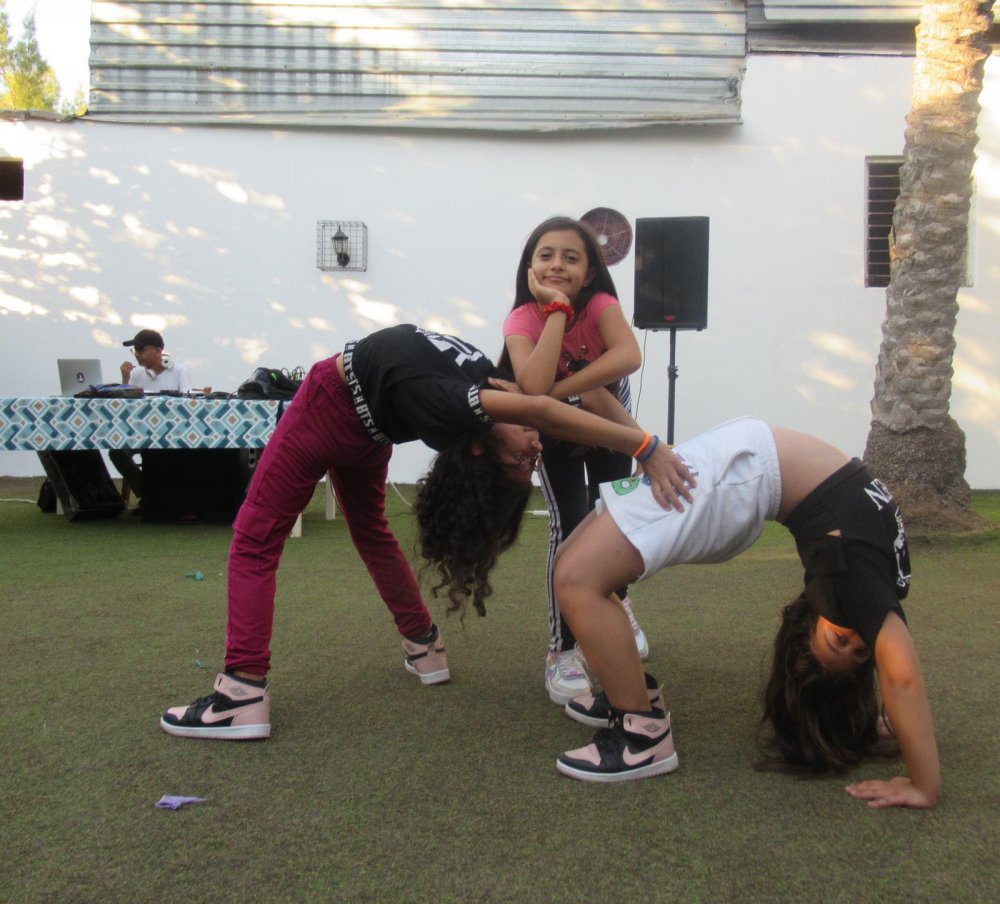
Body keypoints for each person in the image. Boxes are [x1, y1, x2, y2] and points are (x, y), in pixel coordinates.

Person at [160, 323, 696, 740]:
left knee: (255, 538)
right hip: (371, 425)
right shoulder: (497, 390)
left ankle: (241, 693)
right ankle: (424, 646)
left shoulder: (465, 406)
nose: (536, 450)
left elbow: (541, 410)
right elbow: (575, 400)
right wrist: (642, 441)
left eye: (521, 460)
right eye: (530, 460)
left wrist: (644, 447)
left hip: (331, 404)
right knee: (371, 531)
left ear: (482, 446)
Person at [551, 417, 940, 810]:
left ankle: (642, 739)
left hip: (743, 471)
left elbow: (899, 676)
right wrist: (918, 777)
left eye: (841, 641)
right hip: (745, 467)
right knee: (571, 565)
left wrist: (909, 763)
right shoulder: (856, 586)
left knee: (575, 578)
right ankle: (633, 691)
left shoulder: (867, 578)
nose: (857, 634)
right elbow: (901, 675)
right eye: (860, 649)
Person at [501, 215, 648, 706]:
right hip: (557, 432)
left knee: (613, 518)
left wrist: (561, 390)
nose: (557, 264)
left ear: (590, 273)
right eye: (545, 255)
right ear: (529, 266)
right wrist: (557, 311)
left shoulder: (602, 305)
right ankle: (562, 651)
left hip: (607, 424)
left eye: (571, 257)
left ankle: (617, 604)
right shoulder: (522, 319)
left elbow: (627, 357)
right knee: (569, 524)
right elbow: (532, 384)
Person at [110, 328, 200, 499]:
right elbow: (126, 407)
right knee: (117, 452)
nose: (137, 355)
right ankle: (147, 494)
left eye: (141, 349)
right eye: (135, 350)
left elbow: (188, 405)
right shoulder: (136, 373)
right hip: (140, 432)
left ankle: (155, 496)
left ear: (159, 350)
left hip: (172, 432)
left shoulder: (179, 371)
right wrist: (125, 380)